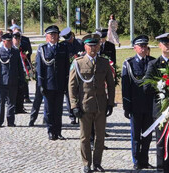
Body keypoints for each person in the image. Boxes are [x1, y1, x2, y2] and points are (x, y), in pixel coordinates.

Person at [68, 33, 115, 173]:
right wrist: (74, 105)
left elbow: (111, 85)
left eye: (95, 45)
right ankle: (86, 163)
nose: (93, 48)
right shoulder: (78, 63)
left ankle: (97, 163)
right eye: (90, 46)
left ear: (99, 46)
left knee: (100, 137)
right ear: (85, 47)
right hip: (85, 105)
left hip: (101, 105)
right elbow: (72, 86)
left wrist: (110, 103)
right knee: (85, 137)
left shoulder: (104, 62)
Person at [144, 32, 169, 173]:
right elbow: (146, 87)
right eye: (165, 44)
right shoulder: (154, 64)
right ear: (160, 46)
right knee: (161, 142)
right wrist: (162, 87)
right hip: (161, 111)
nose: (168, 46)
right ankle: (161, 169)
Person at [122, 35, 155, 170]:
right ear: (135, 48)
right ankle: (136, 161)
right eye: (140, 46)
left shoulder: (153, 62)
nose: (143, 48)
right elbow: (126, 87)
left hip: (149, 106)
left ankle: (144, 160)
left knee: (147, 135)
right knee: (136, 136)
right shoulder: (129, 63)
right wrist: (126, 106)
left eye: (145, 46)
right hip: (135, 106)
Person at [36, 25, 69, 140]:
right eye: (51, 34)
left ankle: (58, 132)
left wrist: (66, 83)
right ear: (47, 36)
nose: (53, 36)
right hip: (48, 85)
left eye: (55, 34)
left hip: (59, 84)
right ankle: (51, 131)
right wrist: (40, 84)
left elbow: (66, 67)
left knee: (58, 110)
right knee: (49, 110)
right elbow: (39, 68)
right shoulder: (43, 49)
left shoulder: (63, 48)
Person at [0, 33, 25, 128]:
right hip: (2, 81)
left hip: (13, 80)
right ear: (4, 42)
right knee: (1, 103)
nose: (11, 42)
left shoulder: (15, 51)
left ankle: (10, 121)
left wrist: (21, 80)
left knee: (12, 102)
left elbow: (19, 67)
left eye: (11, 40)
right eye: (8, 41)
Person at [60, 27, 85, 125]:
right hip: (68, 73)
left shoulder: (80, 43)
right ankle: (72, 116)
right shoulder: (63, 45)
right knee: (69, 95)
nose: (69, 40)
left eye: (70, 37)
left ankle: (81, 114)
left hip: (81, 73)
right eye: (67, 38)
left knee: (81, 93)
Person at [14, 28, 33, 103]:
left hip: (25, 61)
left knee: (25, 80)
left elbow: (30, 50)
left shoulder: (26, 39)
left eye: (18, 33)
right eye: (15, 34)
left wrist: (26, 55)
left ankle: (26, 96)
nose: (17, 36)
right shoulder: (12, 40)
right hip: (17, 63)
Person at [12, 32, 28, 114]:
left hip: (22, 71)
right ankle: (14, 107)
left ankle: (20, 107)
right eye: (16, 39)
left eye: (19, 39)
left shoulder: (20, 48)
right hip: (14, 73)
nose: (17, 41)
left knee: (21, 91)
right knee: (14, 91)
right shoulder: (11, 49)